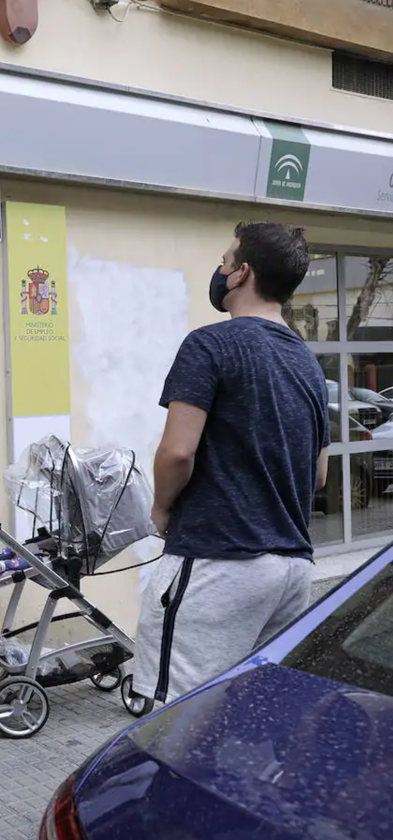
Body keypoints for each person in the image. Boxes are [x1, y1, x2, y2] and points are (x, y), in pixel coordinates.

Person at [137, 222, 328, 706]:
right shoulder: (308, 363)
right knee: (253, 714)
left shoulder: (210, 345)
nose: (220, 270)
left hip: (218, 561)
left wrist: (161, 510)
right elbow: (319, 475)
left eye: (225, 261)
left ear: (241, 273)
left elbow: (178, 451)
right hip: (290, 571)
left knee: (178, 716)